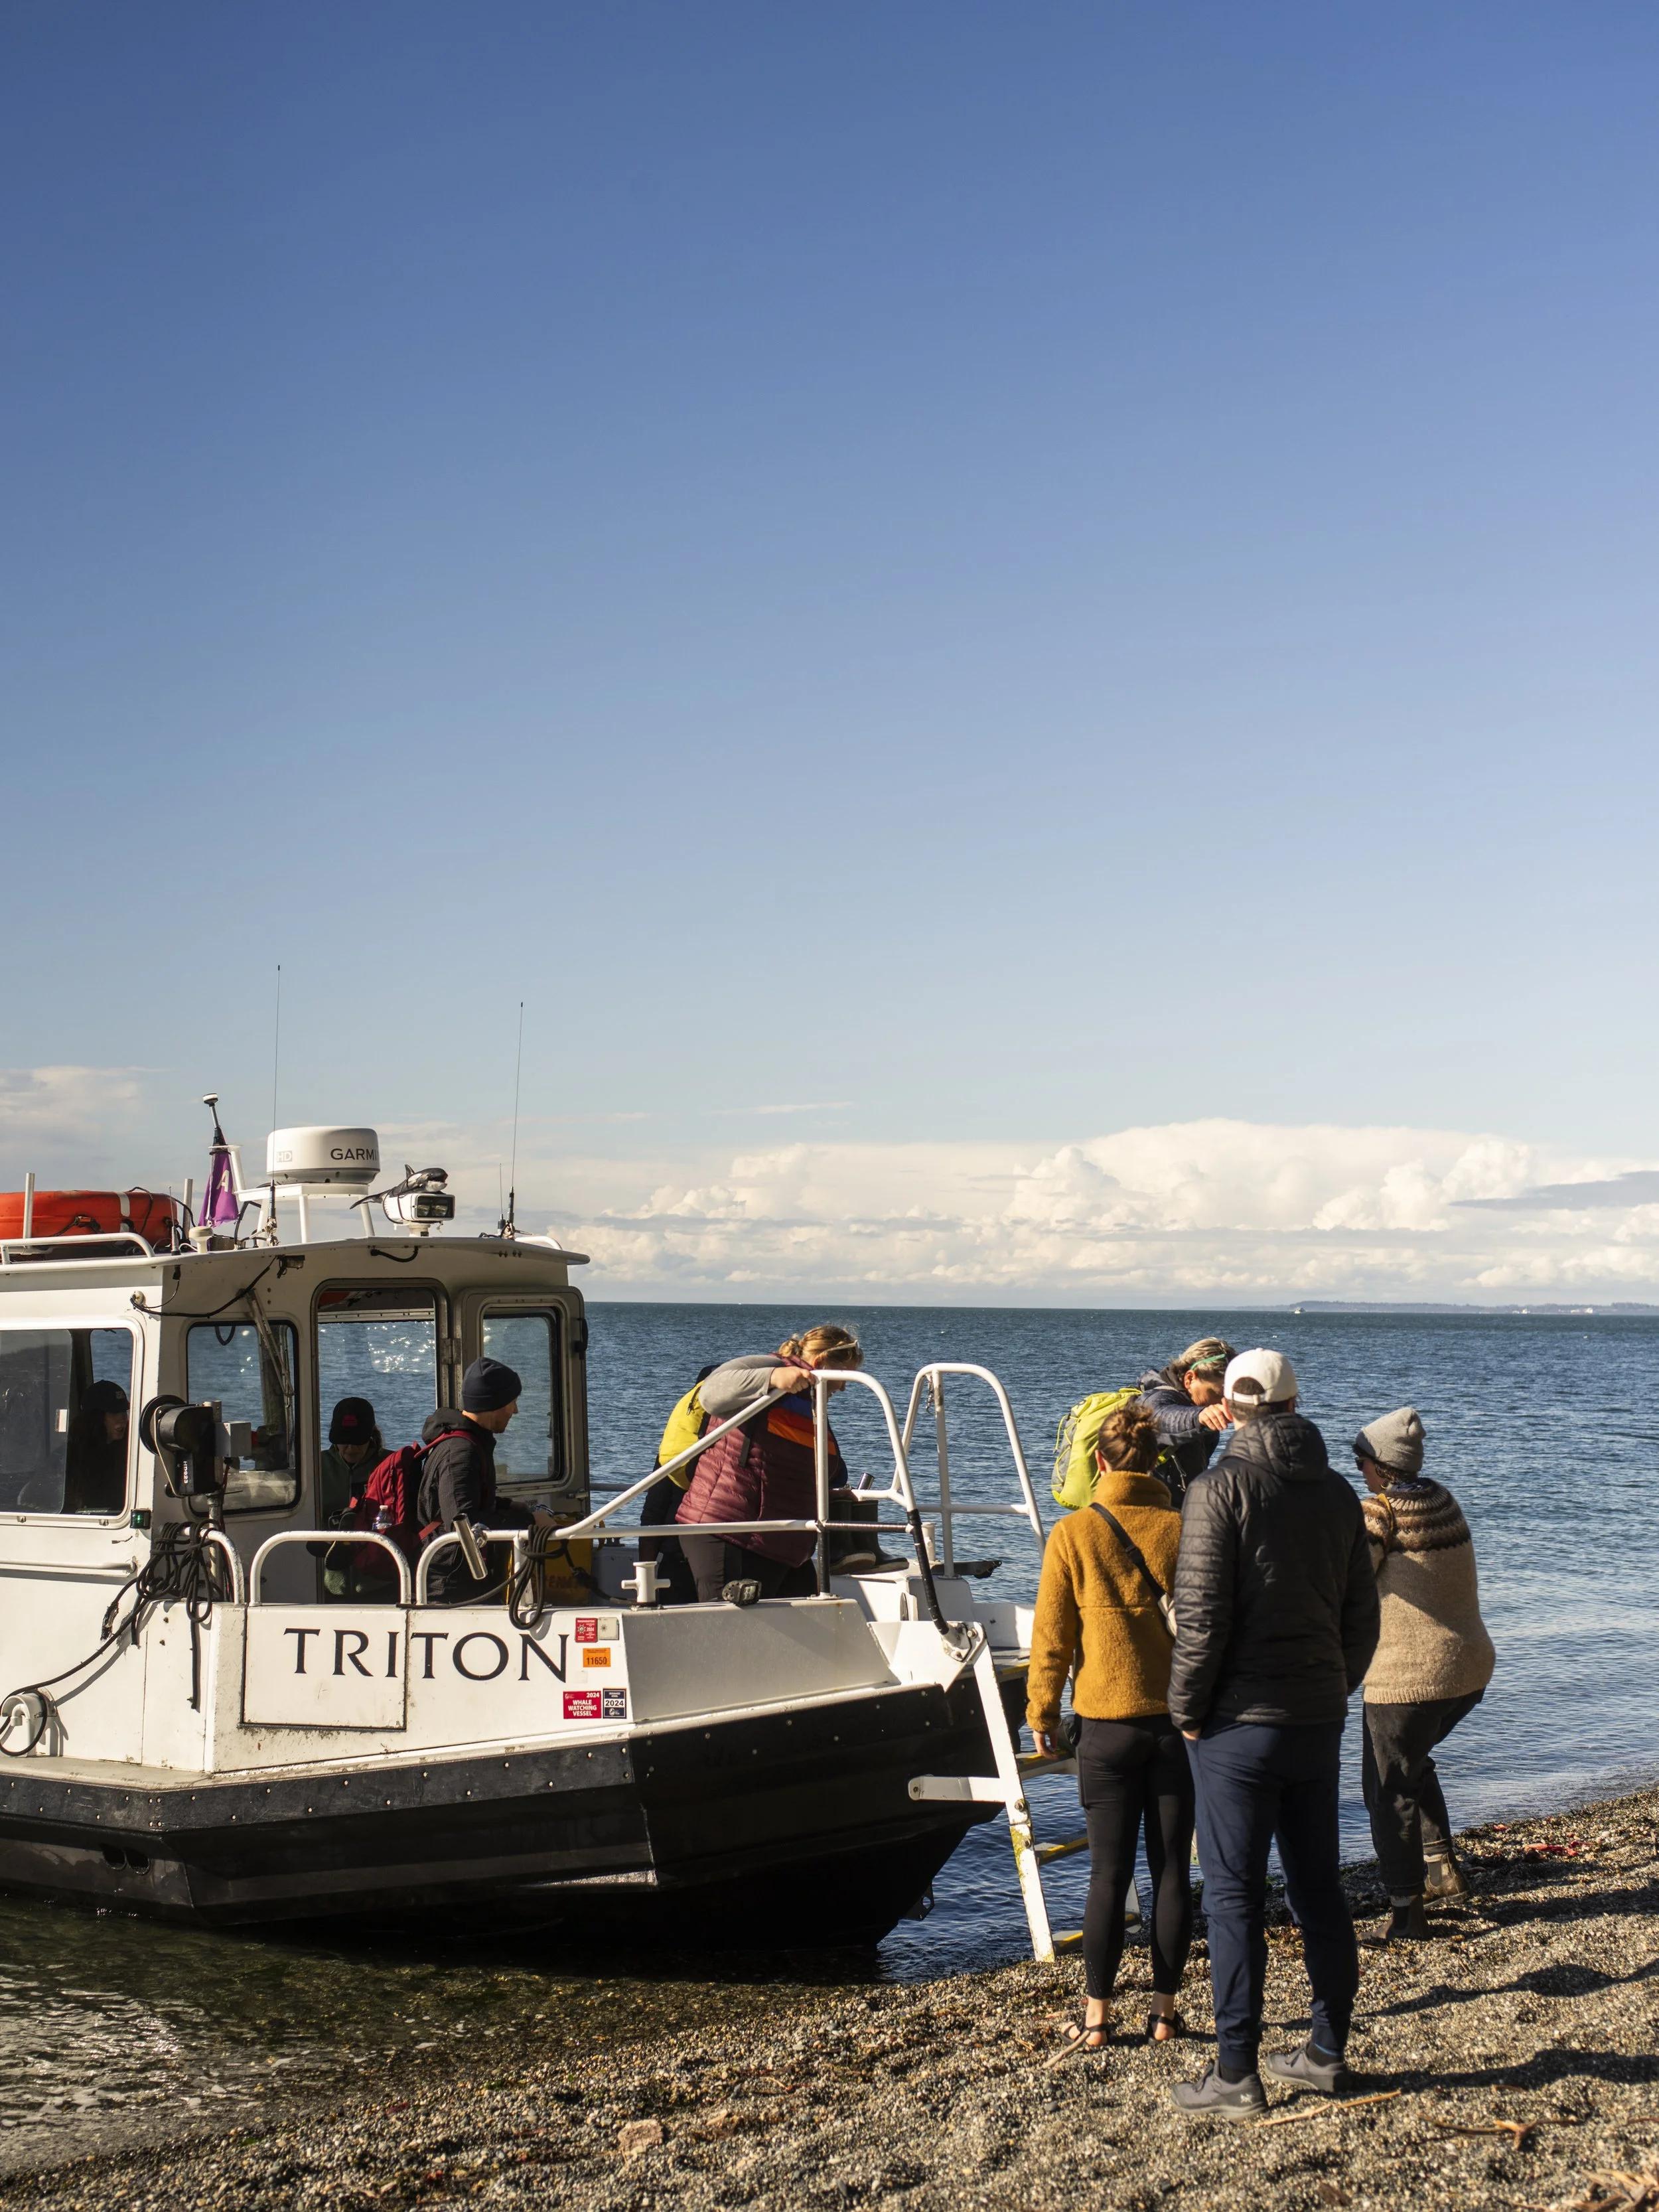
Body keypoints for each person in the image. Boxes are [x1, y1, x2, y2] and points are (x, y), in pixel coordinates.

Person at [1167, 1349, 1380, 2118]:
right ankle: (1325, 2052)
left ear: (1231, 1408)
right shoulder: (1338, 1493)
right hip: (1313, 1718)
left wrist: (1186, 1710)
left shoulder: (1216, 1489)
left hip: (1237, 1724)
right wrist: (1332, 1685)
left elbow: (1200, 1619)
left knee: (1233, 1897)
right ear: (1294, 1405)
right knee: (1317, 1886)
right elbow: (1362, 1617)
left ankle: (1236, 2073)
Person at [1027, 1397, 1194, 2052]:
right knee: (1172, 1871)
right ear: (1156, 1464)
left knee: (1108, 1875)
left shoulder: (1073, 1534)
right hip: (1176, 1725)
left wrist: (1041, 1712)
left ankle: (1096, 2020)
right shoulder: (1181, 1529)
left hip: (1104, 1724)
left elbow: (1052, 1639)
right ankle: (1164, 2014)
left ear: (1099, 1461)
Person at [1353, 1406, 1494, 1939]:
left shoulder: (1379, 1512)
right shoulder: (1443, 1498)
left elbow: (1349, 1584)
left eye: (1360, 1461)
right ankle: (1441, 1870)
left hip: (1409, 1676)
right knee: (1413, 1762)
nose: (1359, 1471)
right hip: (1470, 1668)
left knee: (1388, 1788)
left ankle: (1406, 1913)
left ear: (1380, 1465)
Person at [675, 1325, 863, 1602]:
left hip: (781, 1540)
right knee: (730, 1624)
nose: (844, 1387)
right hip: (729, 1530)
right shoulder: (772, 1367)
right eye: (844, 1375)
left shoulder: (808, 1404)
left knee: (810, 1619)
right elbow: (712, 1393)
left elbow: (824, 1468)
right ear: (821, 1362)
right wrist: (774, 1377)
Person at [417, 1357, 557, 1604]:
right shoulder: (460, 1453)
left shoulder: (470, 1443)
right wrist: (531, 1522)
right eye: (512, 1403)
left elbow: (465, 1499)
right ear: (494, 1403)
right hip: (451, 1587)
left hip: (465, 1577)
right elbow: (464, 1524)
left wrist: (508, 1505)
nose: (515, 1411)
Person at [1136, 1338, 1236, 1501]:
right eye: (1217, 1394)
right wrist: (1199, 1416)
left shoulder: (1204, 1408)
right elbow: (1161, 1418)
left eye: (1229, 1396)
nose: (1224, 1403)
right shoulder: (1157, 1398)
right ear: (1189, 1379)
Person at [317, 1396, 386, 1603]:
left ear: (371, 1435)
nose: (351, 1448)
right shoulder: (315, 1465)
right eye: (344, 1440)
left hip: (380, 1584)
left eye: (358, 1441)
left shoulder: (389, 1466)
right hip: (328, 1584)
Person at [62, 1380, 129, 1515]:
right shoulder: (68, 1458)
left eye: (124, 1412)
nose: (122, 1419)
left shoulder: (129, 1453)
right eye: (113, 1413)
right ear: (95, 1418)